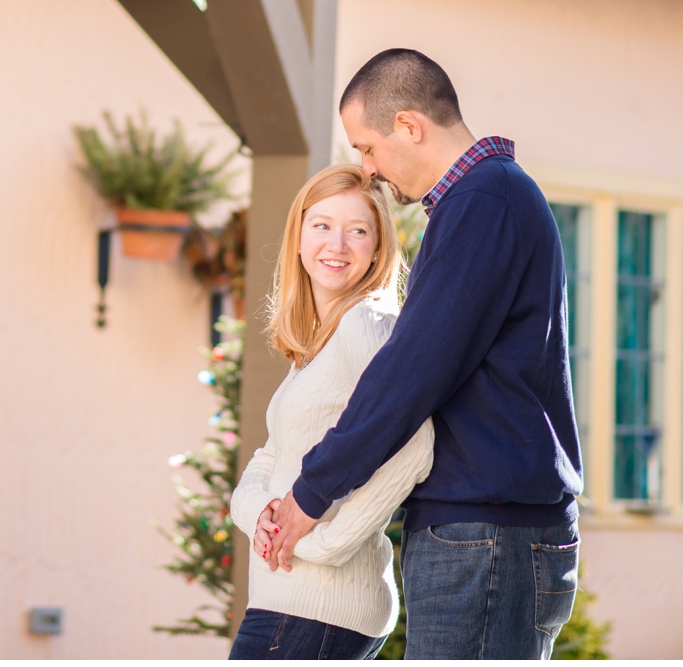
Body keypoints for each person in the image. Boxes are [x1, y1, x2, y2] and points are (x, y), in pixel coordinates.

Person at [260, 48, 583, 659]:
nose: (369, 168)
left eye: (367, 147)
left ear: (409, 126)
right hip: (484, 527)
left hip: (487, 532)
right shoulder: (485, 202)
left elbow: (412, 372)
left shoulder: (484, 203)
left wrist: (310, 494)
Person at [228, 164, 434, 660]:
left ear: (378, 247)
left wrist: (329, 544)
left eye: (357, 230)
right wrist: (256, 511)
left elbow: (416, 446)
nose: (336, 245)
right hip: (290, 599)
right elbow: (270, 458)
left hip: (319, 603)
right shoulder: (313, 347)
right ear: (298, 237)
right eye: (321, 225)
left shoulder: (367, 323)